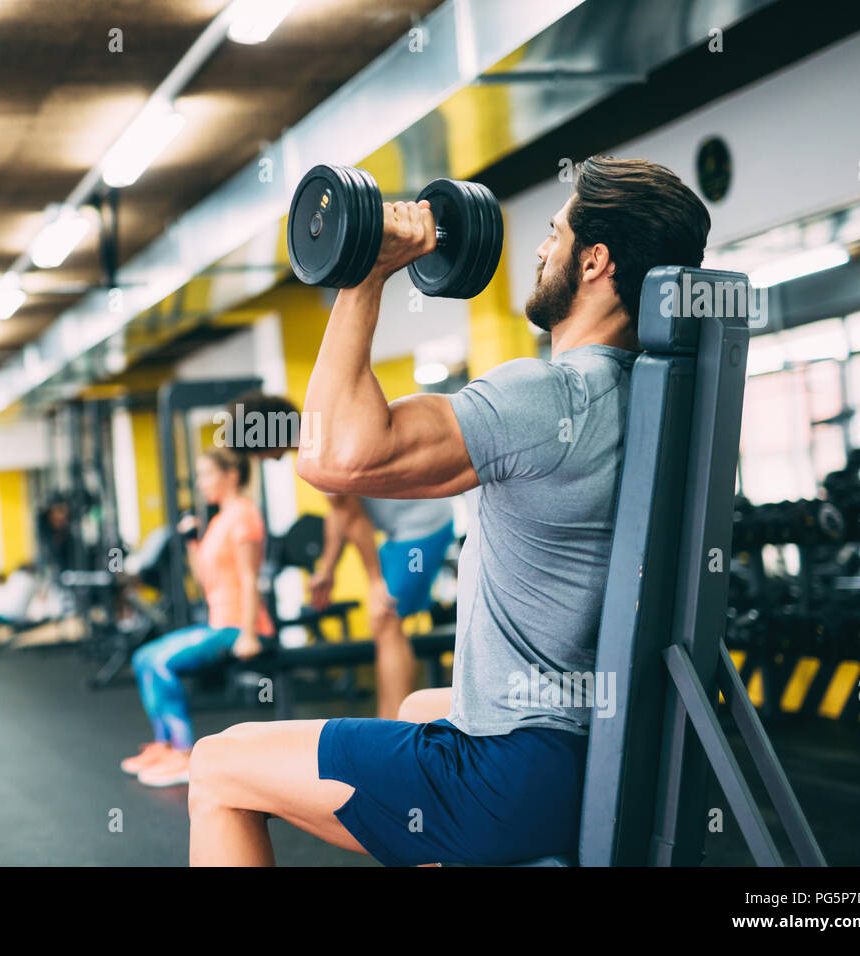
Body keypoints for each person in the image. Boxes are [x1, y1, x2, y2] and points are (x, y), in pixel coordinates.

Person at [186, 155, 711, 865]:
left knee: (218, 765)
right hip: (602, 753)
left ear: (594, 263)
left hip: (508, 781)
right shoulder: (658, 401)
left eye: (553, 235)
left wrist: (366, 275)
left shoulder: (550, 398)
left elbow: (331, 456)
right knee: (414, 709)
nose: (538, 248)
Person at [226, 391, 455, 718]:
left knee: (385, 618)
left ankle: (396, 722)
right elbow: (339, 512)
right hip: (402, 531)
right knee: (384, 623)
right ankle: (390, 718)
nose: (258, 460)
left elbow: (355, 518)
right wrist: (327, 569)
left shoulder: (319, 451)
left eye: (255, 451)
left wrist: (375, 581)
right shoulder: (317, 437)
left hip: (421, 526)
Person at [122, 446, 274, 788]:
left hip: (240, 625)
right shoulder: (219, 520)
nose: (200, 482)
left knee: (162, 663)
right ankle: (165, 745)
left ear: (231, 475)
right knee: (144, 657)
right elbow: (206, 578)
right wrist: (192, 542)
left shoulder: (244, 515)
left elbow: (251, 577)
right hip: (218, 623)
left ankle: (185, 754)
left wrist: (250, 633)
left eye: (207, 474)